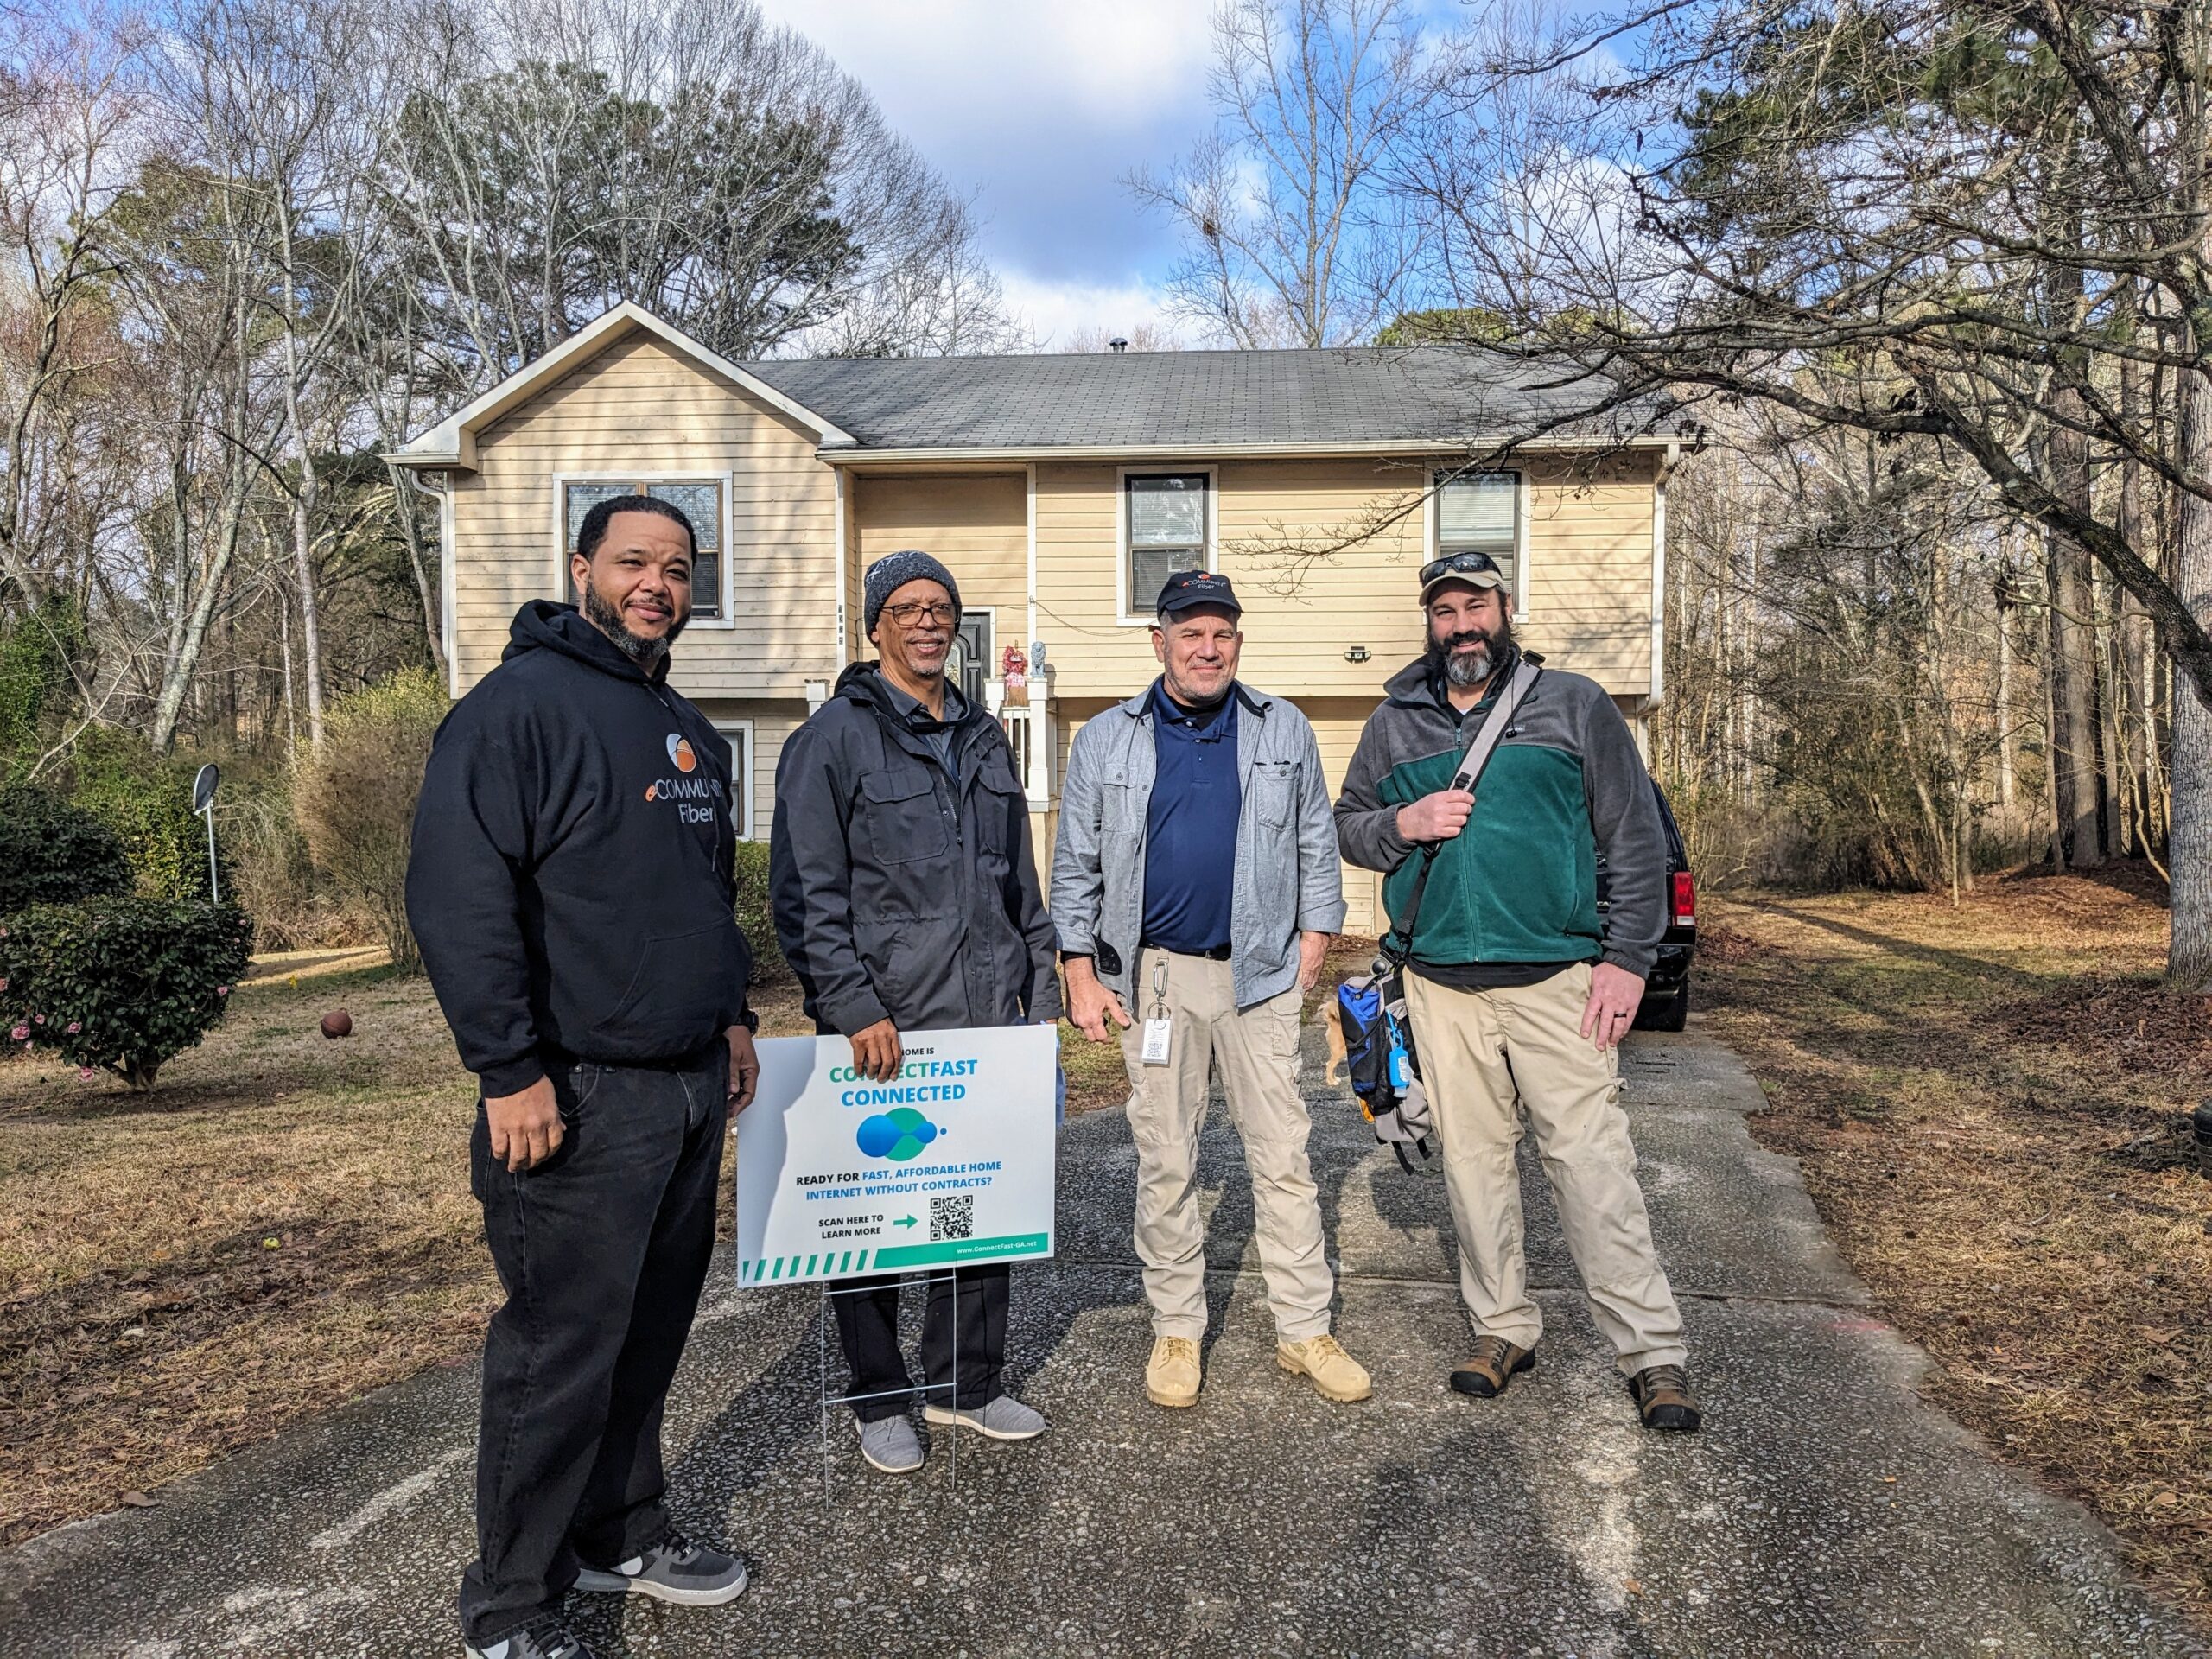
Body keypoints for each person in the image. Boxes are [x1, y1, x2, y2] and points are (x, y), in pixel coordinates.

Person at [407, 493, 761, 1659]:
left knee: (652, 1334)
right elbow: (459, 900)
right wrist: (508, 1070)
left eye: (676, 566)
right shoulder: (515, 711)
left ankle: (620, 1535)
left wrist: (732, 1017)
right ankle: (510, 1608)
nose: (657, 582)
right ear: (581, 569)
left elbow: (699, 894)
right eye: (633, 562)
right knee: (559, 1356)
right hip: (573, 1096)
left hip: (688, 1083)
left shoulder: (686, 727)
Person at [1332, 549, 1701, 1433]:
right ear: (1428, 622)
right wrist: (1402, 822)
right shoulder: (1393, 722)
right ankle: (1501, 1327)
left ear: (1505, 608)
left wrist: (1627, 961)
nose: (1460, 625)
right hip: (1439, 985)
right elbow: (1348, 826)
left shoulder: (1574, 704)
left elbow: (1636, 842)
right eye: (1443, 611)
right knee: (1472, 1167)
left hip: (1557, 981)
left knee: (1591, 1165)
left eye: (1475, 606)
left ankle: (1651, 1350)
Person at [770, 550, 1061, 1475]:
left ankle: (965, 1386)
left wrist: (1040, 997)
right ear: (876, 626)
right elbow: (805, 896)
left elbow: (1016, 878)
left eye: (941, 608)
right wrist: (852, 1006)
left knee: (980, 1210)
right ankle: (878, 1395)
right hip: (884, 1029)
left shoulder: (983, 736)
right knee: (872, 1222)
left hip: (987, 1018)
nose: (928, 622)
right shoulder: (831, 741)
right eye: (907, 609)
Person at [1052, 570, 1369, 1410]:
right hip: (1154, 977)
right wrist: (1078, 967)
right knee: (1166, 1159)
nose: (1206, 647)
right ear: (1158, 641)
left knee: (1285, 1158)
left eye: (1220, 632)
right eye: (1189, 632)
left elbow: (1313, 840)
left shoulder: (1283, 728)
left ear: (1237, 641)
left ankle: (1305, 1329)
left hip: (1260, 975)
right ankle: (1178, 1330)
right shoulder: (1105, 739)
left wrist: (1314, 942)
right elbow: (1075, 862)